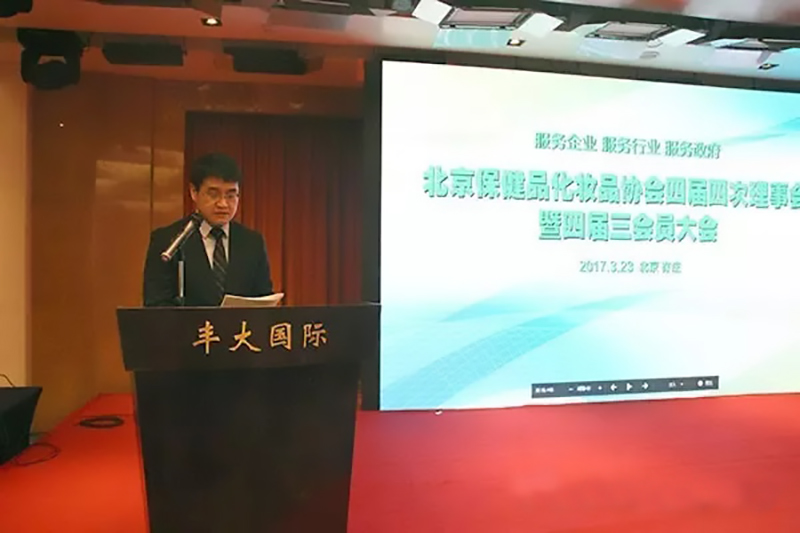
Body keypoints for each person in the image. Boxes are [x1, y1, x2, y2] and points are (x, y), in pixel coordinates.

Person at [142, 153, 273, 307]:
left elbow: (264, 300)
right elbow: (156, 304)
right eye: (213, 194)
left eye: (231, 195)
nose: (223, 204)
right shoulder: (168, 241)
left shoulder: (252, 242)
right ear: (194, 192)